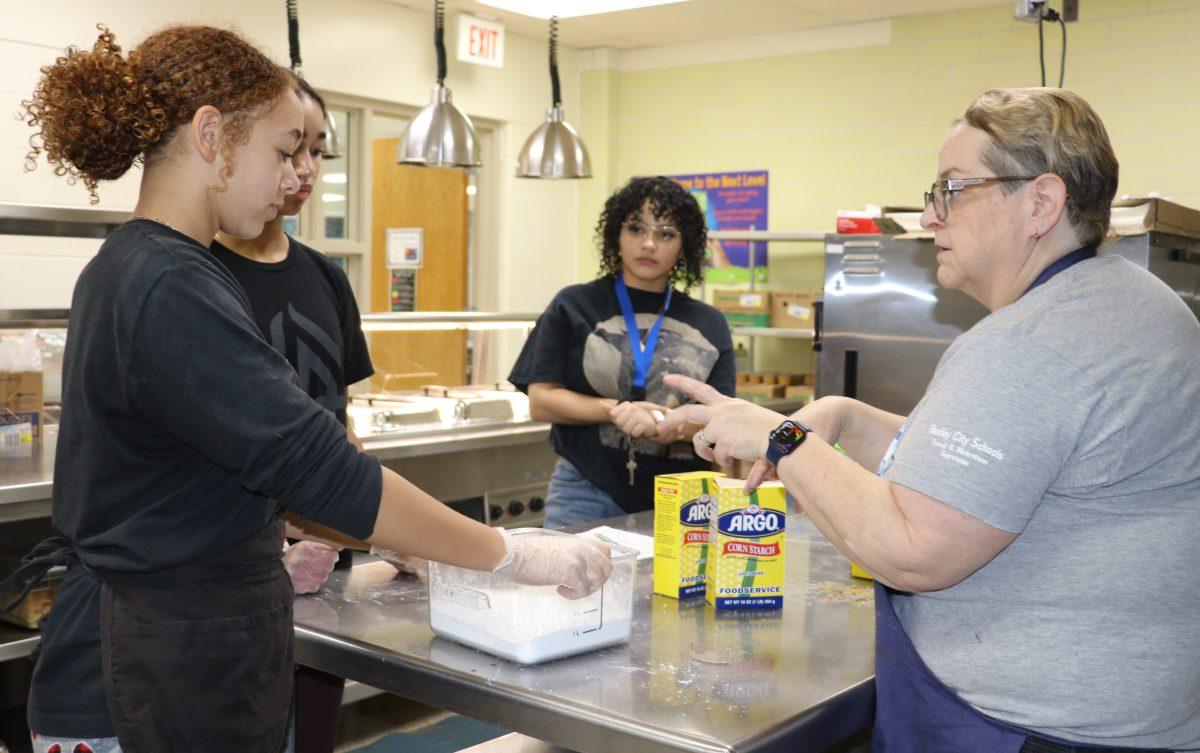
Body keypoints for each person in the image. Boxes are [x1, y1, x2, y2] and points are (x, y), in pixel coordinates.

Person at [2, 24, 611, 753]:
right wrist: (508, 552)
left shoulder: (150, 267)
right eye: (283, 148)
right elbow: (319, 466)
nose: (296, 175)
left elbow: (236, 471)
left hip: (178, 662)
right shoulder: (167, 283)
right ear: (210, 137)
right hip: (144, 682)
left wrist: (394, 538)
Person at [661, 87, 1200, 752]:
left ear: (1041, 202)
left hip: (1035, 727)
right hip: (1138, 714)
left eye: (951, 189)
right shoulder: (1134, 303)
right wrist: (850, 421)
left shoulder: (1033, 341)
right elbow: (994, 475)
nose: (927, 216)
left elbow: (915, 548)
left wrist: (782, 437)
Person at [508, 176, 735, 528]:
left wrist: (666, 425)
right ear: (616, 234)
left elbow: (722, 420)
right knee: (575, 585)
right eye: (635, 228)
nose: (648, 244)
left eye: (665, 233)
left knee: (671, 586)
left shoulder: (710, 322)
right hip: (585, 491)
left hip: (685, 499)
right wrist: (615, 411)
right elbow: (541, 400)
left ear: (683, 245)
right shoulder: (573, 304)